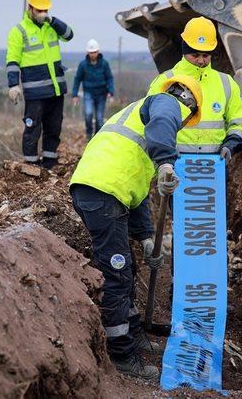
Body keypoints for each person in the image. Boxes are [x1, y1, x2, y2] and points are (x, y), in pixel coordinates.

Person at [69, 75, 203, 381]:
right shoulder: (168, 103)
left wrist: (144, 237)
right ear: (189, 107)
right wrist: (167, 164)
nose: (181, 127)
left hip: (103, 190)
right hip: (102, 192)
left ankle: (134, 334)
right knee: (116, 274)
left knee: (125, 269)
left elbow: (139, 192)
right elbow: (162, 132)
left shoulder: (142, 112)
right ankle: (122, 356)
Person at [147, 16, 242, 161]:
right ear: (185, 51)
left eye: (205, 55)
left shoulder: (226, 83)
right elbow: (150, 124)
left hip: (214, 164)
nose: (201, 60)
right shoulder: (165, 82)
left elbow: (241, 123)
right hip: (174, 164)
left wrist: (231, 144)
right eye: (195, 55)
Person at [6, 0, 74, 169]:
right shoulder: (18, 31)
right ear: (30, 8)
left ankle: (50, 163)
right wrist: (13, 84)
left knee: (54, 127)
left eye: (46, 10)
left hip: (56, 88)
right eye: (39, 10)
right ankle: (31, 164)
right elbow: (12, 60)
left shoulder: (51, 26)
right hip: (35, 92)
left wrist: (51, 20)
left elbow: (69, 35)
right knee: (32, 128)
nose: (43, 13)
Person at [72, 39, 115, 140]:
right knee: (88, 113)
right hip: (88, 93)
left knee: (100, 118)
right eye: (91, 52)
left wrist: (111, 91)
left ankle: (97, 136)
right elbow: (77, 79)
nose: (93, 54)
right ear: (87, 53)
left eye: (95, 52)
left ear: (98, 52)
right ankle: (88, 133)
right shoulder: (83, 65)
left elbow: (110, 77)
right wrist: (75, 95)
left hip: (101, 94)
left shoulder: (104, 64)